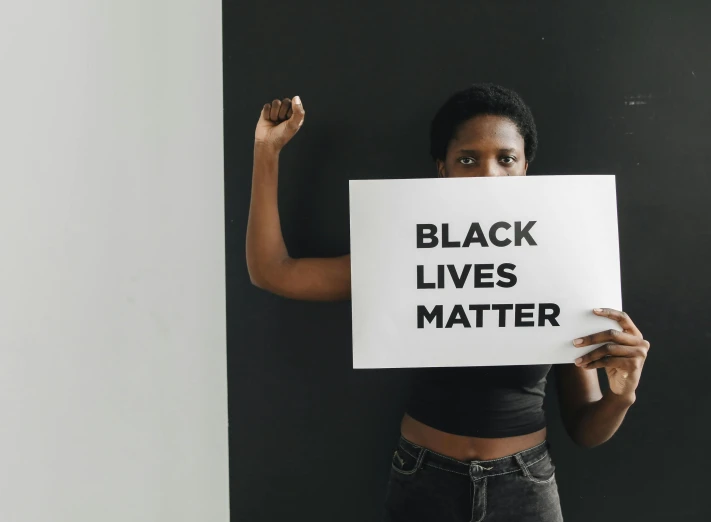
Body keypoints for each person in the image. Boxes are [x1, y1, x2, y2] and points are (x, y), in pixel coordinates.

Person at [245, 84, 651, 522]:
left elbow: (585, 429)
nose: (488, 175)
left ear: (526, 168)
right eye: (468, 160)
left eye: (506, 159)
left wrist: (621, 396)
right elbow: (274, 271)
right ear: (443, 169)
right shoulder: (405, 258)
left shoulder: (566, 267)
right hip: (424, 480)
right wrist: (267, 150)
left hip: (525, 486)